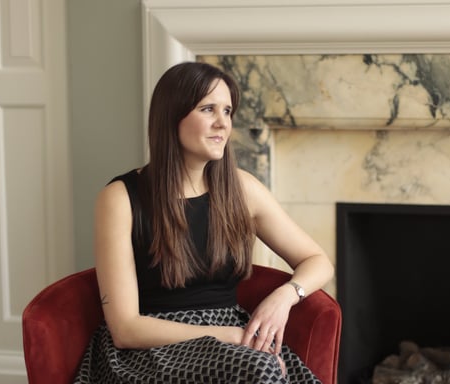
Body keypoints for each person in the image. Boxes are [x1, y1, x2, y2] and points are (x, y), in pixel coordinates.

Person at [74, 61, 334, 384]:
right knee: (260, 369)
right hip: (152, 351)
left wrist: (284, 297)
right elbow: (125, 329)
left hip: (237, 344)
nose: (222, 124)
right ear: (172, 117)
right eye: (208, 109)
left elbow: (318, 261)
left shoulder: (242, 189)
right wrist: (232, 337)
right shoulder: (120, 198)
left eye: (227, 111)